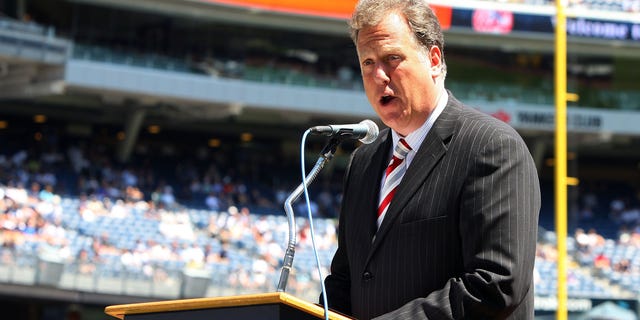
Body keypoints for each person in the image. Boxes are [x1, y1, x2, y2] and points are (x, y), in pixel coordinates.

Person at [321, 0, 541, 319]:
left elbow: (495, 285)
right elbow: (346, 279)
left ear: (434, 59)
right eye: (367, 63)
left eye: (392, 58)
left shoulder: (493, 147)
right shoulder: (364, 161)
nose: (378, 75)